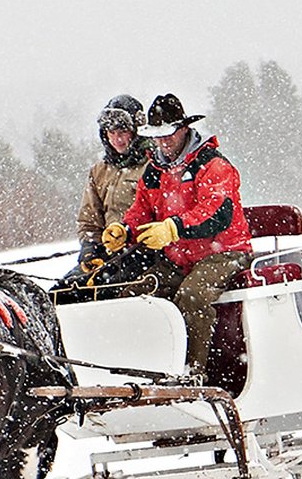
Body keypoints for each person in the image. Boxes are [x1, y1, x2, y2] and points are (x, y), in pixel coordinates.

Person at [100, 93, 253, 374]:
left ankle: (195, 371)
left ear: (184, 129)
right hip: (180, 258)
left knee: (192, 295)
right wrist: (125, 230)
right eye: (156, 136)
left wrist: (174, 228)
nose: (163, 141)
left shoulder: (214, 165)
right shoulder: (154, 171)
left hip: (226, 254)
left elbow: (217, 214)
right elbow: (141, 210)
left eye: (168, 134)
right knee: (136, 294)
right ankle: (146, 368)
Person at [75, 94, 149, 265]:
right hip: (107, 255)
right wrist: (90, 248)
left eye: (123, 132)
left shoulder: (153, 167)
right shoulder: (99, 171)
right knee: (64, 290)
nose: (117, 139)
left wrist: (128, 235)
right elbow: (89, 219)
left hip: (143, 254)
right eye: (111, 132)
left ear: (136, 132)